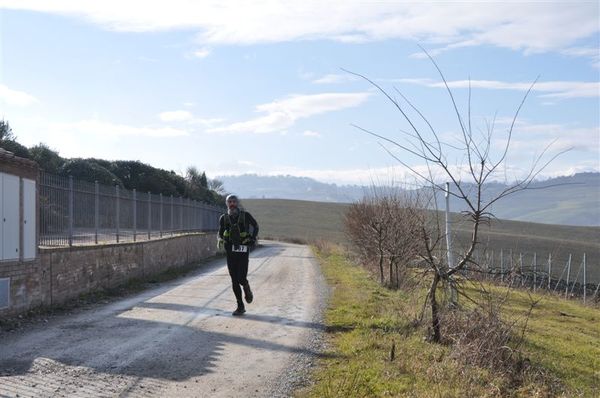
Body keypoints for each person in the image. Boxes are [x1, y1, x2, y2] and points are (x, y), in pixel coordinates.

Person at [217, 194, 259, 316]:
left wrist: (252, 238)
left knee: (241, 278)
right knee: (234, 281)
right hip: (230, 252)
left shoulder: (245, 216)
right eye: (229, 201)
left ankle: (246, 286)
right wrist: (220, 240)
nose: (232, 204)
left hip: (243, 251)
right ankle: (240, 306)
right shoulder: (223, 218)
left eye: (234, 201)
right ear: (226, 204)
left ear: (237, 203)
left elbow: (255, 226)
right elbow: (220, 233)